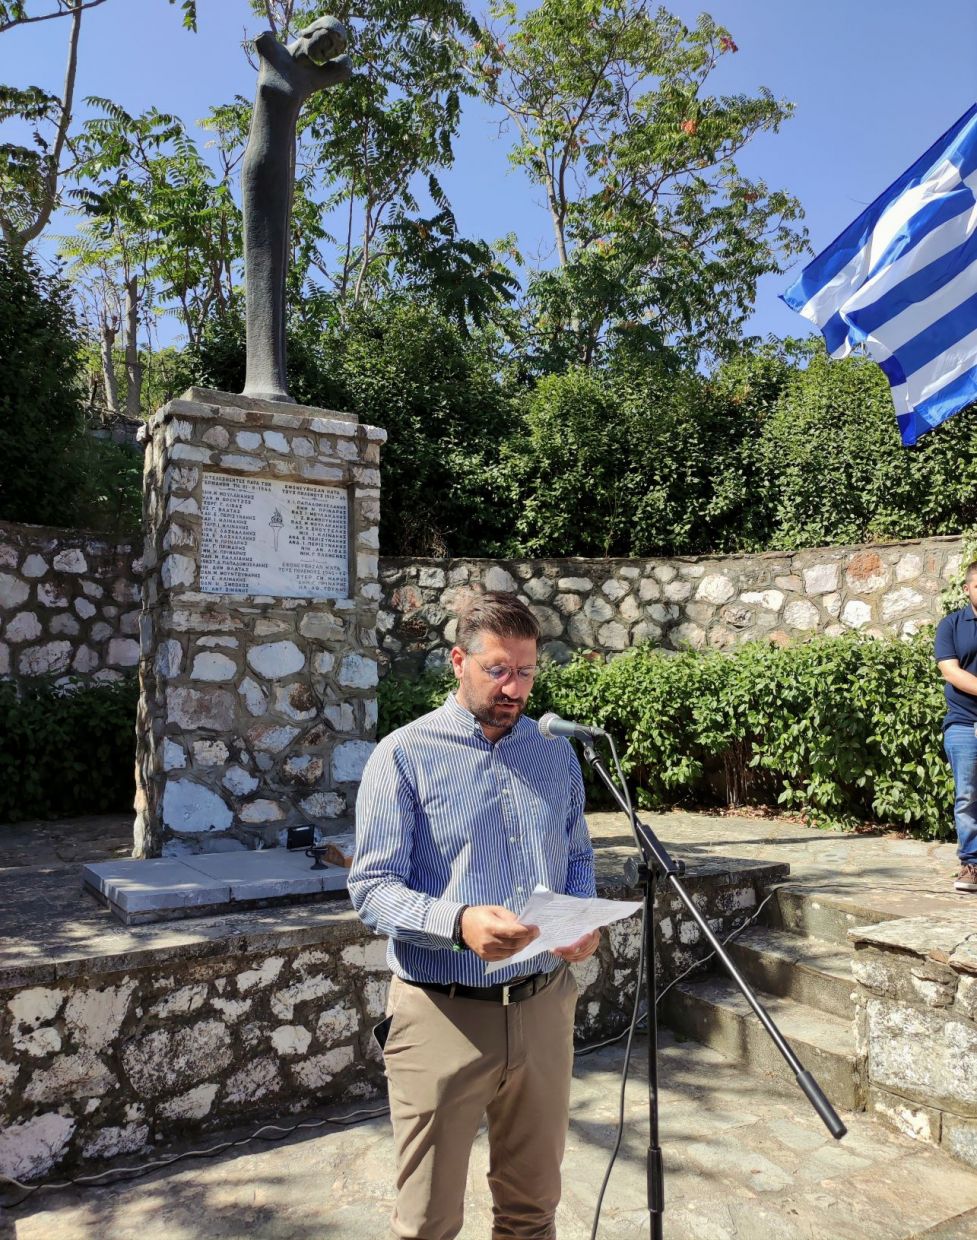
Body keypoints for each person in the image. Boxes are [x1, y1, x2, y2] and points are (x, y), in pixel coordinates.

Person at [348, 591, 600, 1239]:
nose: (513, 688)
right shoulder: (402, 755)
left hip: (543, 1006)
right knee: (427, 1222)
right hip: (442, 1013)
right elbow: (371, 888)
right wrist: (457, 923)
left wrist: (577, 919)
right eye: (497, 670)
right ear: (458, 661)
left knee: (532, 1212)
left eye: (526, 671)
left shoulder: (554, 752)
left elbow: (575, 855)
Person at [934, 560, 977, 892]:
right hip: (964, 723)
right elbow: (950, 671)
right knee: (968, 796)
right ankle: (971, 865)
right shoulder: (951, 624)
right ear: (967, 589)